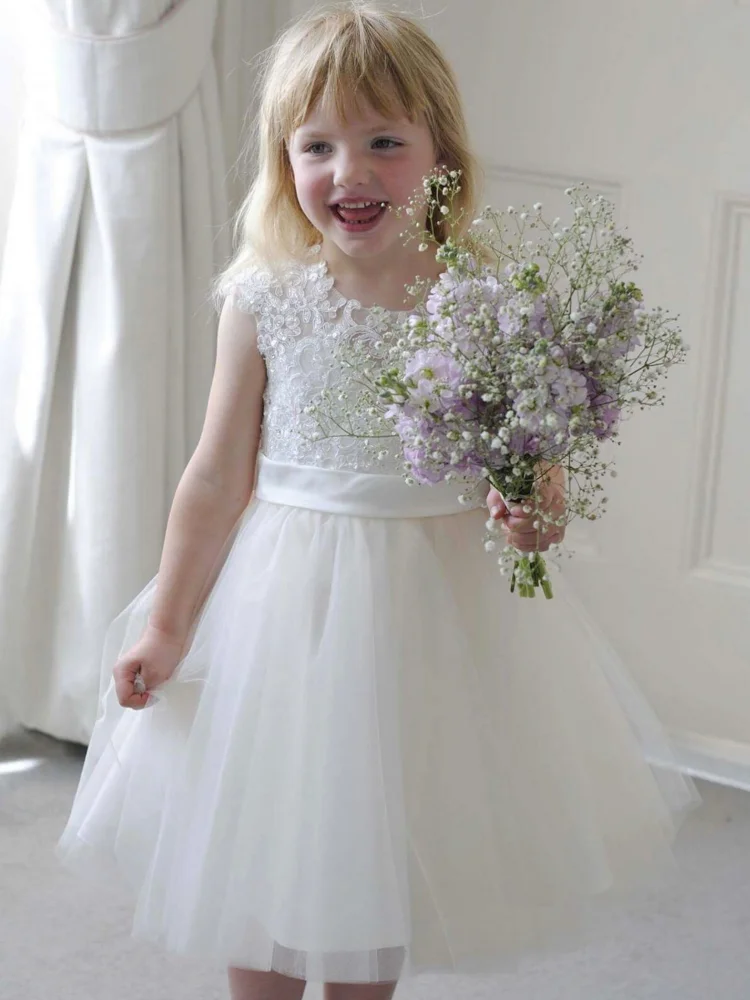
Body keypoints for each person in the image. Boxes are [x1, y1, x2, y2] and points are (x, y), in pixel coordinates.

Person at [57, 3, 700, 999]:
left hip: (427, 623)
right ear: (284, 162)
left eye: (384, 142)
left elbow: (534, 467)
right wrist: (171, 625)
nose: (349, 172)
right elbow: (216, 478)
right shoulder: (266, 298)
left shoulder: (486, 299)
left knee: (385, 853)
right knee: (267, 856)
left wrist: (533, 512)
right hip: (287, 614)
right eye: (317, 146)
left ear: (442, 151)